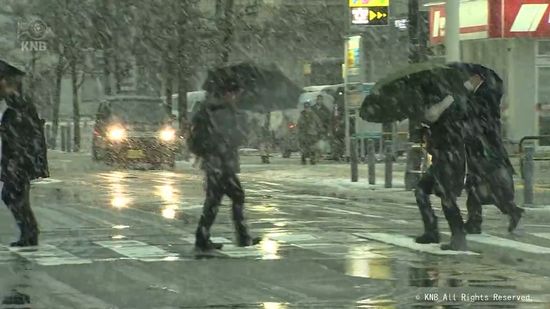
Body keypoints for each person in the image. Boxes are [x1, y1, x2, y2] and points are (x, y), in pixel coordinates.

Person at [187, 82, 260, 251]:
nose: (237, 97)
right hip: (221, 163)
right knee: (236, 196)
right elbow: (233, 137)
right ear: (227, 94)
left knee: (214, 200)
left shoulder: (211, 110)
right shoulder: (221, 112)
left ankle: (203, 237)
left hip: (215, 163)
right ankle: (241, 237)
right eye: (235, 94)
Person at [462, 72, 524, 234]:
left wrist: (469, 126)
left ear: (477, 78)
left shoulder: (484, 95)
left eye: (469, 78)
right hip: (482, 148)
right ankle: (477, 220)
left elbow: (483, 122)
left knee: (481, 185)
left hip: (484, 149)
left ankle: (479, 220)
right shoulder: (480, 95)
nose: (466, 81)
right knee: (478, 186)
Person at [0, 60, 49, 247]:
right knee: (15, 195)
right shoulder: (15, 102)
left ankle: (30, 231)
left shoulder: (18, 102)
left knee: (12, 194)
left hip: (19, 158)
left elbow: (23, 130)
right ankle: (28, 233)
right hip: (19, 157)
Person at [415, 93, 468, 251]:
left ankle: (458, 237)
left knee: (447, 198)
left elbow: (434, 120)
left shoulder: (449, 108)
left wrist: (429, 130)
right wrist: (424, 132)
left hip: (450, 159)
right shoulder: (439, 109)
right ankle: (432, 230)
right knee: (421, 190)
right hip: (441, 159)